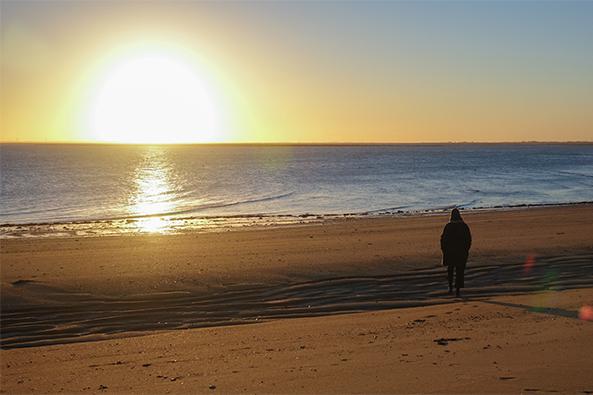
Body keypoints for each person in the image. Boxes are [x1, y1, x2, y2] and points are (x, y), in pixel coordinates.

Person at [440, 208, 472, 297]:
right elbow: (468, 239)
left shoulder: (448, 226)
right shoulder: (464, 226)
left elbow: (443, 239)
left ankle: (450, 288)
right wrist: (466, 249)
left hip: (450, 252)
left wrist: (444, 250)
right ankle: (457, 291)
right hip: (461, 252)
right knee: (459, 271)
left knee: (450, 270)